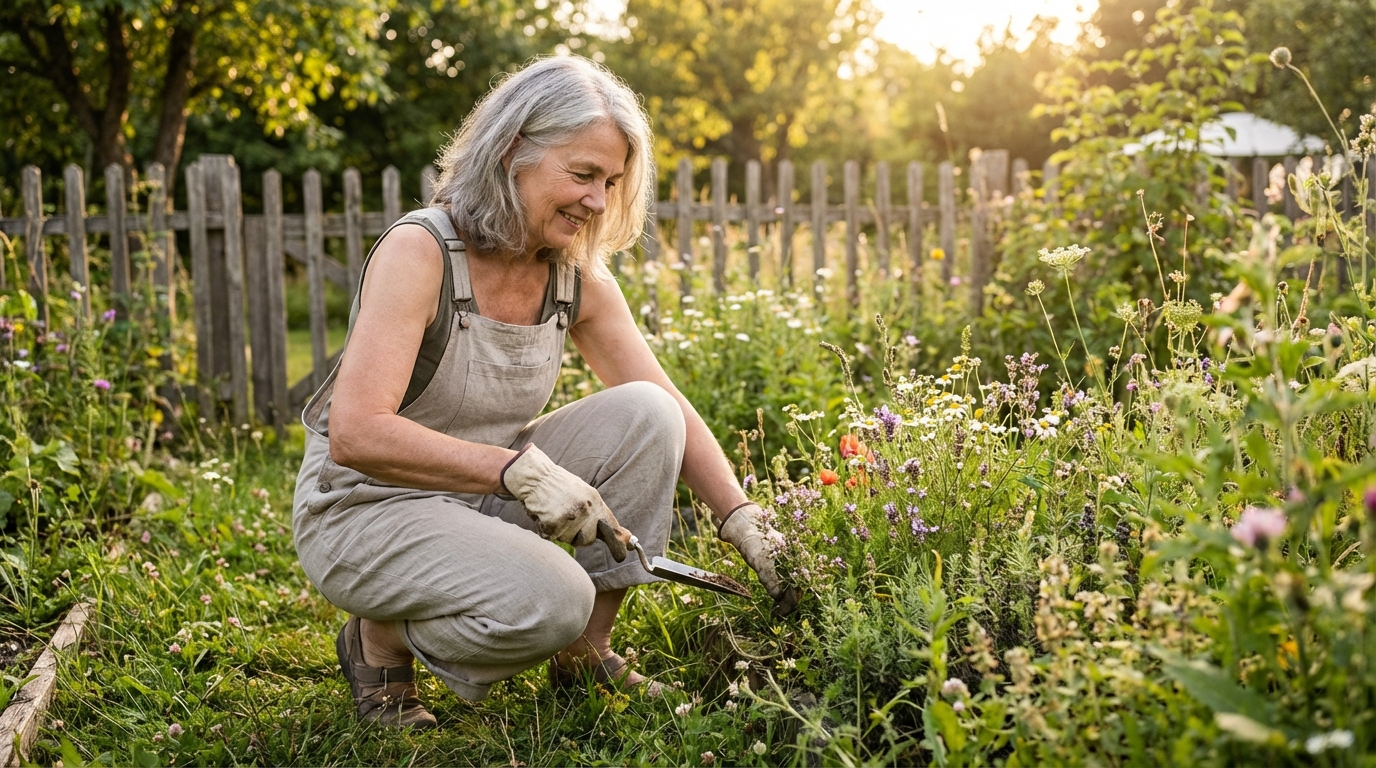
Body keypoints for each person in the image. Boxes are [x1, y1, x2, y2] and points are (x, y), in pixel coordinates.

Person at [291, 55, 798, 729]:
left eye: (612, 181)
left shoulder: (574, 276)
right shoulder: (422, 253)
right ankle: (379, 639)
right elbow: (356, 433)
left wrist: (741, 518)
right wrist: (516, 473)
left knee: (650, 413)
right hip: (365, 508)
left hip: (480, 496)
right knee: (556, 599)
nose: (599, 200)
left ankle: (587, 656)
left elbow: (665, 401)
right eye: (583, 173)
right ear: (510, 153)